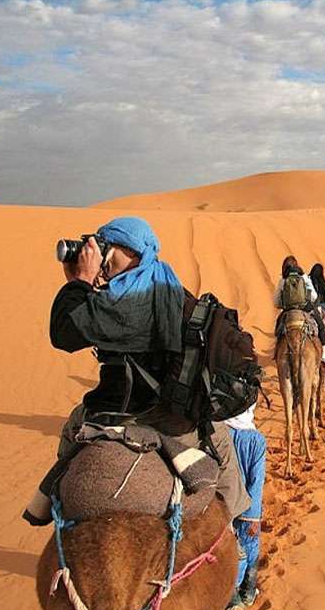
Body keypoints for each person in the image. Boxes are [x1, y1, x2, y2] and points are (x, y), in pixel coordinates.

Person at [31, 217, 250, 525]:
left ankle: (51, 501)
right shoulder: (173, 290)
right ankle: (239, 529)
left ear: (132, 253)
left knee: (73, 427)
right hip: (177, 421)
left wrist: (78, 283)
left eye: (108, 248)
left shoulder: (122, 302)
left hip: (117, 416)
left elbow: (64, 331)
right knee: (224, 451)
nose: (101, 257)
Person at [222, 404, 266, 610]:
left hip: (226, 504)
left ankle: (234, 596)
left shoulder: (220, 433)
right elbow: (257, 481)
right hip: (248, 506)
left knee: (230, 548)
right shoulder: (257, 441)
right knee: (249, 548)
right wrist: (254, 515)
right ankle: (242, 595)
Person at [273, 256, 325, 365]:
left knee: (278, 330)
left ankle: (277, 354)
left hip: (288, 310)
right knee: (321, 326)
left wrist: (284, 305)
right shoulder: (304, 277)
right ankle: (323, 356)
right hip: (306, 308)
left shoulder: (283, 280)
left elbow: (276, 302)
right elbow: (313, 296)